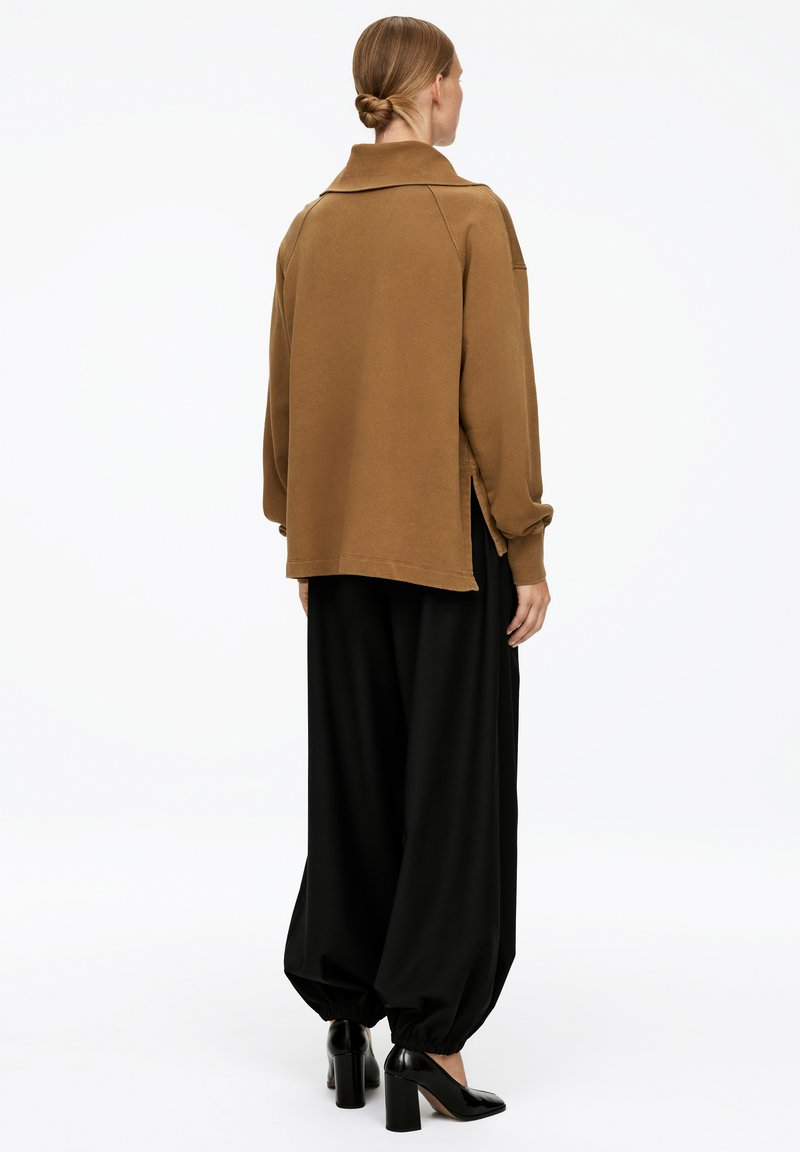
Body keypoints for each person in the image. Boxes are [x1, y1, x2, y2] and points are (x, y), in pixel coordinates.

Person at [261, 15, 554, 1132]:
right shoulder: (470, 215)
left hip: (335, 548)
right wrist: (524, 546)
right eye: (459, 79)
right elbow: (499, 402)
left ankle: (346, 1017)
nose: (463, 96)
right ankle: (431, 1040)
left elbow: (284, 398)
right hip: (447, 549)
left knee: (354, 780)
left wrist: (301, 531)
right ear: (429, 88)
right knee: (451, 791)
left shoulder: (309, 227)